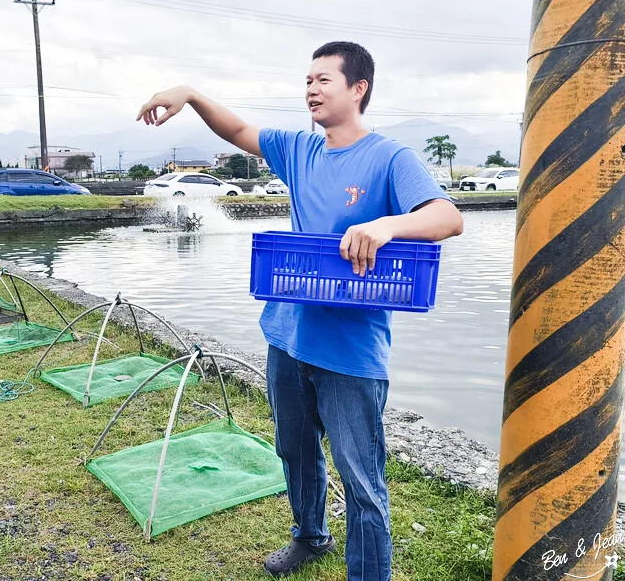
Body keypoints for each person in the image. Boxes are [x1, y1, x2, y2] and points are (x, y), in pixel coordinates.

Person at [137, 41, 463, 581]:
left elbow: (446, 216)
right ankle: (310, 537)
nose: (310, 89)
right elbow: (239, 132)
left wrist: (385, 226)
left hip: (350, 351)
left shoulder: (390, 158)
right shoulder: (300, 150)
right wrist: (190, 95)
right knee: (295, 450)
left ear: (358, 89)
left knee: (362, 480)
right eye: (307, 80)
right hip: (286, 335)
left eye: (323, 80)